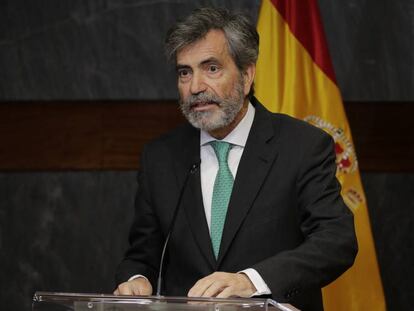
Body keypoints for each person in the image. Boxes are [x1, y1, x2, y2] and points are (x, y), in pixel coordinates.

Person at [114, 7, 357, 311]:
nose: (195, 87)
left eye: (211, 68)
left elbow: (336, 242)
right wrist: (137, 278)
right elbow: (143, 255)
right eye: (184, 72)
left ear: (246, 75)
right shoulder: (160, 157)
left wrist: (251, 281)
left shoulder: (302, 146)